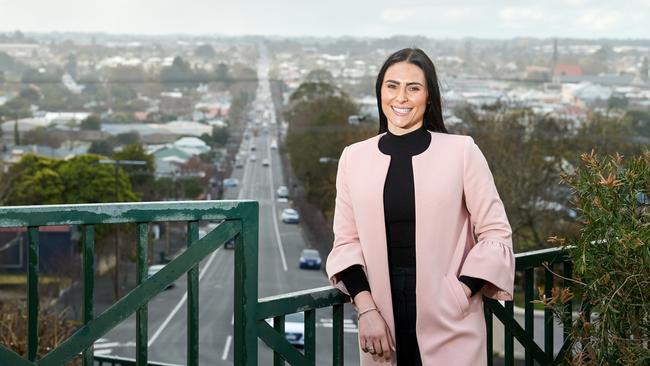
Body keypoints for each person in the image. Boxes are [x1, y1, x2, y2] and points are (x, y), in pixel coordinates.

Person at [325, 48, 515, 365]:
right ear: (380, 91)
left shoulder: (462, 151)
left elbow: (496, 232)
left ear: (429, 97)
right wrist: (366, 310)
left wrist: (460, 293)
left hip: (449, 315)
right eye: (392, 85)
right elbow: (346, 243)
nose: (401, 97)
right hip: (381, 315)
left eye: (414, 88)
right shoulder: (353, 158)